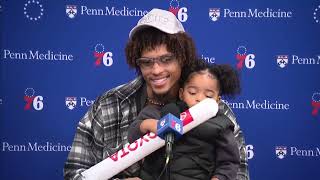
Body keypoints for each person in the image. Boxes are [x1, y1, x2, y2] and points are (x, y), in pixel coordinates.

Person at [64, 8, 249, 180]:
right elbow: (74, 173)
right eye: (147, 62)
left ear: (183, 58)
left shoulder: (212, 108)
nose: (156, 70)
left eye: (166, 59)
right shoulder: (109, 105)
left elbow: (239, 173)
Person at [128, 60, 241, 180]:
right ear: (182, 94)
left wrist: (219, 178)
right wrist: (149, 124)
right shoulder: (164, 112)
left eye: (208, 96)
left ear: (218, 101)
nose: (199, 99)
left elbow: (229, 162)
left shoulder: (221, 125)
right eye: (192, 92)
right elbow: (132, 136)